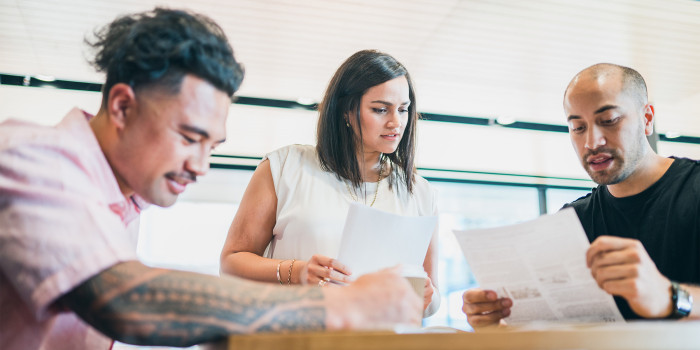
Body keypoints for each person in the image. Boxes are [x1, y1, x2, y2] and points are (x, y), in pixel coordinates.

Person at [0, 9, 422, 350]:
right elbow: (128, 301)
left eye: (212, 146)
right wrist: (337, 304)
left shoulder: (120, 200)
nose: (201, 167)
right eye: (188, 137)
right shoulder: (34, 161)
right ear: (123, 108)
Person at [462, 63, 699, 327]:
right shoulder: (572, 221)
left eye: (609, 121)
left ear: (647, 118)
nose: (592, 142)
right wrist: (496, 323)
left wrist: (670, 297)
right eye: (578, 127)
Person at [219, 49, 441, 317]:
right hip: (297, 338)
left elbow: (432, 298)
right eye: (380, 109)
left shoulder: (420, 191)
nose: (396, 122)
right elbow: (231, 263)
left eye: (404, 110)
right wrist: (297, 271)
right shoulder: (286, 167)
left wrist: (428, 296)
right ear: (347, 110)